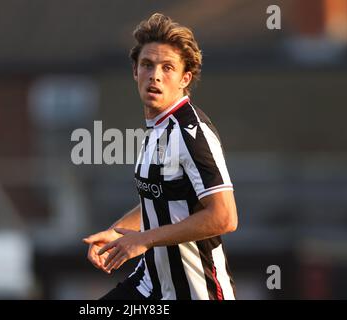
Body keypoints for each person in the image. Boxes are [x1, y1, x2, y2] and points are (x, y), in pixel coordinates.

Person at [83, 13, 238, 300]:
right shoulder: (157, 128)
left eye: (167, 67)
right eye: (147, 64)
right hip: (149, 285)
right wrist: (118, 233)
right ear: (135, 71)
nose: (155, 75)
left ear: (184, 79)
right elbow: (163, 201)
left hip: (196, 292)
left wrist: (145, 239)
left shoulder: (192, 133)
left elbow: (224, 217)